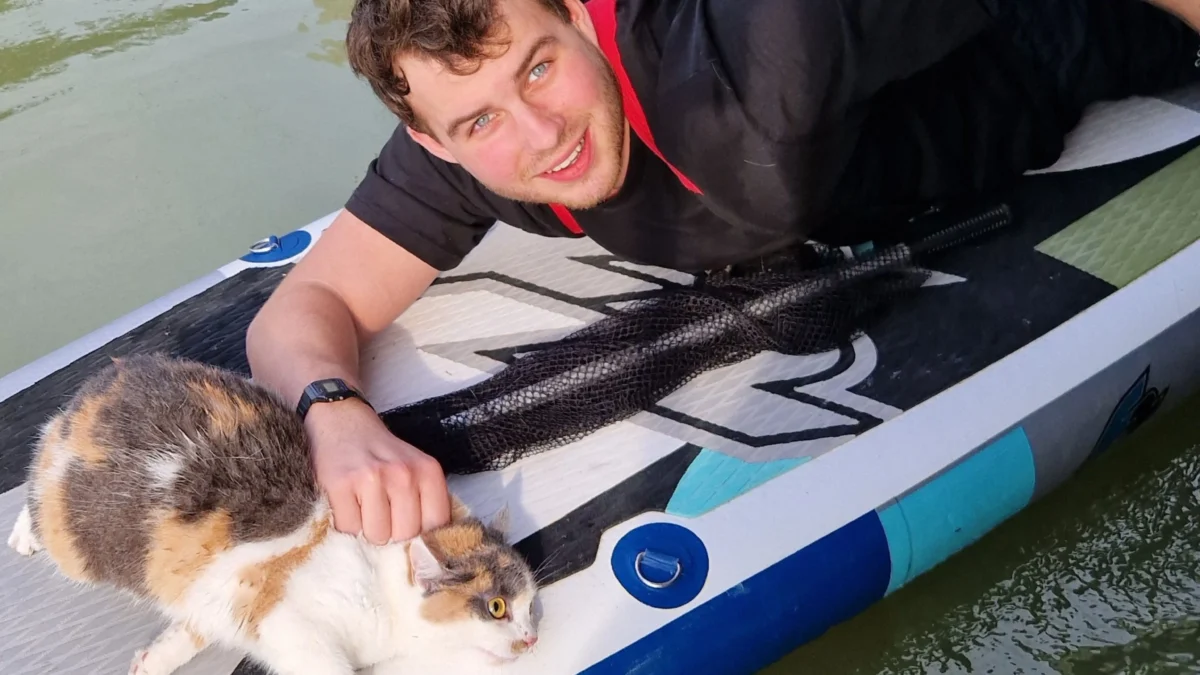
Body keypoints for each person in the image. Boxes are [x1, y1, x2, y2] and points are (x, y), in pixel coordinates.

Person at [246, 0, 1200, 546]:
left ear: (579, 13)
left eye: (541, 69)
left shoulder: (758, 51)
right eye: (480, 121)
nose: (541, 136)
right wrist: (333, 413)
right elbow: (303, 308)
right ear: (430, 141)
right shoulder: (464, 139)